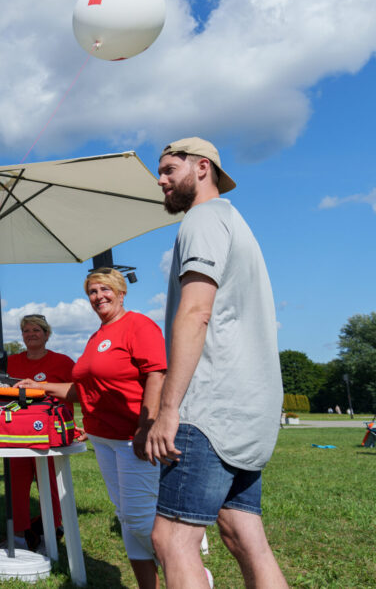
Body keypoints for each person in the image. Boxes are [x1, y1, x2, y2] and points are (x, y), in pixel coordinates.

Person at [147, 137, 287, 588]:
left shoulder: (203, 219)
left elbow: (195, 312)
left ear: (201, 168)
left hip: (209, 412)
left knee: (172, 540)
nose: (161, 179)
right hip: (250, 411)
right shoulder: (235, 222)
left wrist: (168, 412)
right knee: (244, 534)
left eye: (170, 169)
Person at [18, 268, 166, 589]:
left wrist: (146, 427)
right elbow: (81, 391)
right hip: (104, 438)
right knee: (127, 519)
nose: (98, 297)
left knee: (141, 522)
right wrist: (38, 388)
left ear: (121, 292)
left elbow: (157, 375)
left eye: (104, 290)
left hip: (132, 439)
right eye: (92, 292)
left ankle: (190, 571)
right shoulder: (97, 336)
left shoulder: (138, 325)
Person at [6, 314, 75, 551]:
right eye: (26, 330)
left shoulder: (63, 362)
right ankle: (18, 535)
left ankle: (50, 532)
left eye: (36, 330)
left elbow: (78, 393)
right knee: (16, 482)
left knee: (50, 483)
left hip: (50, 434)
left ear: (47, 334)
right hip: (18, 433)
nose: (31, 334)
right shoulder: (12, 361)